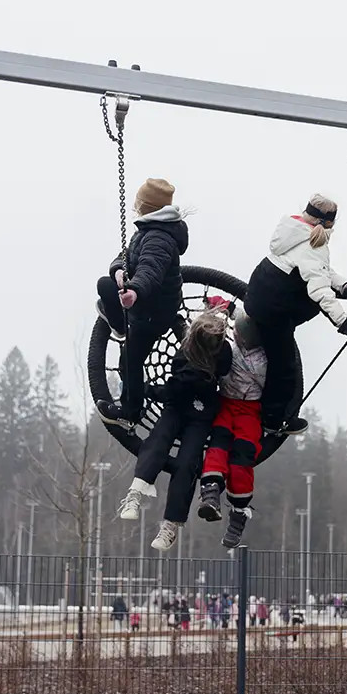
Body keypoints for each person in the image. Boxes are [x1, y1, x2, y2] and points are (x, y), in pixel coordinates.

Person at [244, 193, 347, 434]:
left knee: (279, 350)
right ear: (329, 223)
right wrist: (345, 323)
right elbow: (319, 289)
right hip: (275, 310)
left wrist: (346, 286)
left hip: (257, 295)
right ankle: (272, 420)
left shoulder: (293, 230)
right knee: (284, 367)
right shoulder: (313, 245)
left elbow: (320, 271)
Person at [118, 310, 232, 551]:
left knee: (188, 462)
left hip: (201, 414)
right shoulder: (186, 354)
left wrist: (147, 389)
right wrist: (144, 389)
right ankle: (136, 491)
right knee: (158, 441)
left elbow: (186, 331)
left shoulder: (222, 354)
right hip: (177, 406)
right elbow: (172, 390)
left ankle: (171, 523)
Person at [96, 178, 189, 431]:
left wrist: (135, 290)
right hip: (147, 302)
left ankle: (130, 412)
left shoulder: (159, 238)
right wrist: (119, 270)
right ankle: (120, 326)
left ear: (146, 206)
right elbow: (126, 256)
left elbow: (150, 269)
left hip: (153, 311)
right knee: (105, 284)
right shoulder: (147, 230)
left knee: (130, 360)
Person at [198, 305, 266, 548]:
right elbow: (237, 312)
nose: (233, 334)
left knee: (242, 455)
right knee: (218, 442)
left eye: (236, 333)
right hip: (225, 404)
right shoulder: (239, 334)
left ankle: (238, 512)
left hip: (250, 410)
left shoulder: (263, 361)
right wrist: (218, 303)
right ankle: (211, 490)